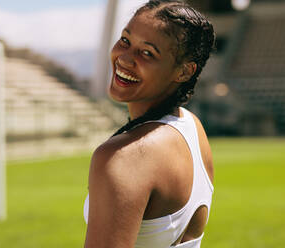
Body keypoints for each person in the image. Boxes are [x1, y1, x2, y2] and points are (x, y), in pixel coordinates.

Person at [83, 0, 215, 247]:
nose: (124, 58)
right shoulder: (192, 128)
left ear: (185, 72)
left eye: (147, 53)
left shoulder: (122, 157)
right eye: (125, 41)